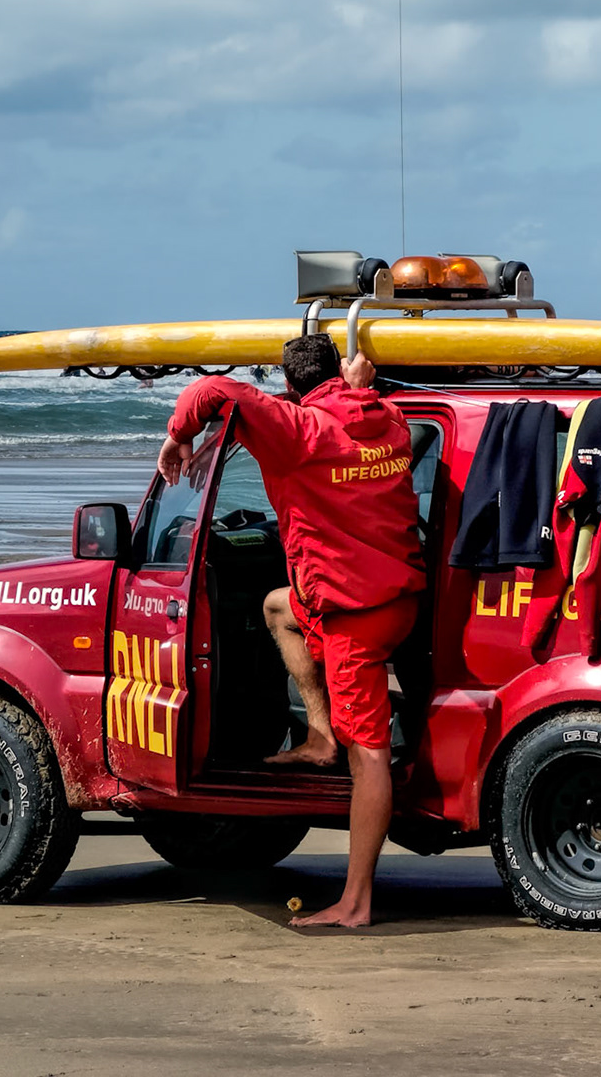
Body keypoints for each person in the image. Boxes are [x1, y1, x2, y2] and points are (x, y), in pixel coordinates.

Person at [158, 335, 425, 928]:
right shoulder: (387, 418)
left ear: (292, 386)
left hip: (353, 615)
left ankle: (355, 901)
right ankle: (320, 735)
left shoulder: (302, 432)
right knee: (280, 607)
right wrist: (352, 388)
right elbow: (339, 406)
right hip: (395, 597)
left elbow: (212, 389)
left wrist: (180, 437)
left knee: (371, 757)